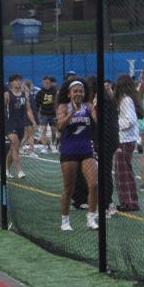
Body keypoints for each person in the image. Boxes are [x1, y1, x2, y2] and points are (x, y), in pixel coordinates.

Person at [57, 79, 99, 231]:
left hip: (86, 150)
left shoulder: (88, 106)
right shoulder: (63, 107)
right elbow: (60, 126)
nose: (78, 93)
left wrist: (97, 109)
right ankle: (65, 221)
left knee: (94, 184)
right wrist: (72, 112)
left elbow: (97, 120)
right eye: (75, 91)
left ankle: (91, 219)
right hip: (69, 151)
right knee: (69, 189)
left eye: (81, 91)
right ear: (69, 94)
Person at [114, 74, 143, 211]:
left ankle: (129, 202)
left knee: (123, 173)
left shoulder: (125, 100)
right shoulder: (129, 99)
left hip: (125, 140)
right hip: (127, 139)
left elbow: (130, 120)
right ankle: (129, 201)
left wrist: (115, 124)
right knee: (125, 171)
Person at [3, 74, 35, 179]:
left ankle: (6, 169)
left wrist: (33, 122)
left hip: (20, 124)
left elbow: (28, 110)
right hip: (10, 123)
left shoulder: (24, 95)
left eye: (19, 80)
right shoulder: (7, 94)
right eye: (16, 80)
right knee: (15, 144)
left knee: (13, 148)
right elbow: (1, 110)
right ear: (11, 82)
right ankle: (20, 171)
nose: (18, 82)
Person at [36, 76, 58, 153]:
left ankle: (53, 145)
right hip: (43, 114)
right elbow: (36, 105)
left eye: (48, 83)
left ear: (51, 83)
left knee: (54, 131)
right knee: (43, 131)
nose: (46, 84)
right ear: (42, 83)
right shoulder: (40, 92)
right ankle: (44, 147)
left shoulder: (55, 91)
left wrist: (58, 114)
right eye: (45, 83)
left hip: (53, 114)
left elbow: (58, 103)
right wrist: (37, 114)